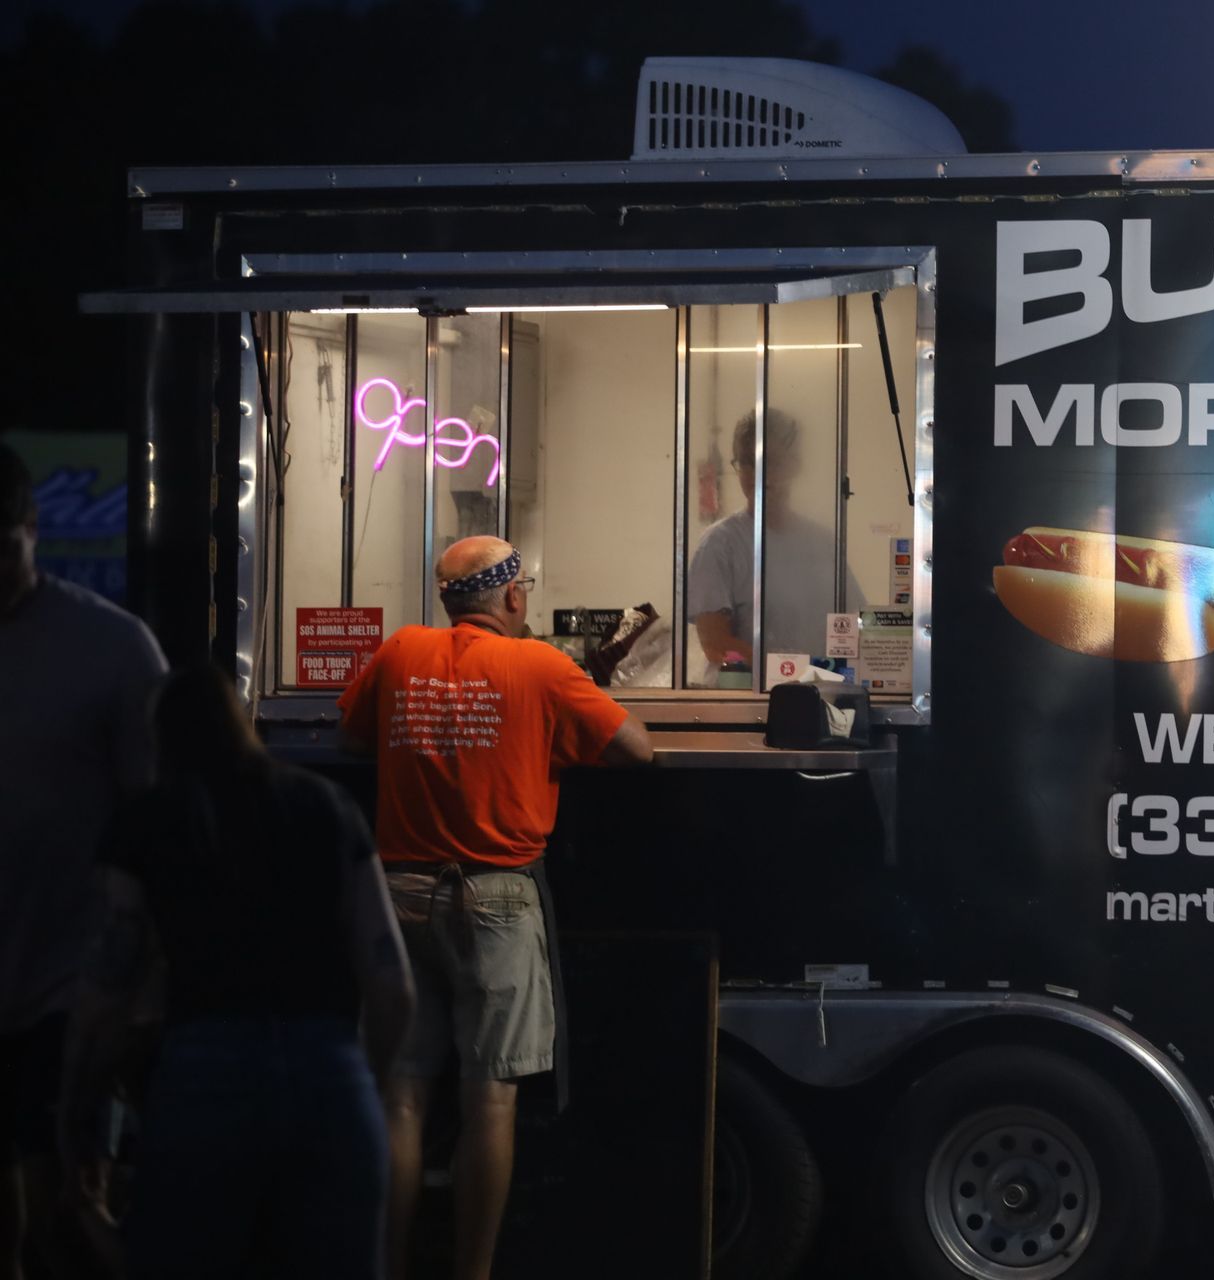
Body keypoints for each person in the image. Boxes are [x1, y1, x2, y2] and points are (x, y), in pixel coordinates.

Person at [337, 535, 653, 1280]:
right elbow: (635, 750)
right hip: (498, 901)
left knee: (404, 1095)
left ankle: (387, 1267)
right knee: (490, 1102)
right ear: (513, 597)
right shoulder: (540, 665)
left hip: (399, 895)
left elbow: (353, 740)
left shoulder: (398, 652)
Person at [60, 664, 415, 1280]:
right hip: (329, 1076)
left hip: (204, 1077)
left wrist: (74, 1109)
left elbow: (104, 995)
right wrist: (365, 1081)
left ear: (160, 740)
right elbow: (393, 987)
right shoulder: (326, 806)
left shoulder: (148, 821)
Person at [0, 439, 167, 1280]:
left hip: (74, 974)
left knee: (65, 1200)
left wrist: (143, 982)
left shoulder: (110, 649)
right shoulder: (113, 649)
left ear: (32, 529)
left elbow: (159, 821)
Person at [688, 409, 867, 684]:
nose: (758, 474)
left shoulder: (822, 543)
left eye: (770, 462)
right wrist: (791, 674)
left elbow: (856, 625)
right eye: (747, 463)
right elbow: (715, 643)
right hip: (745, 703)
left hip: (818, 697)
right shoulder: (719, 545)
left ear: (795, 465)